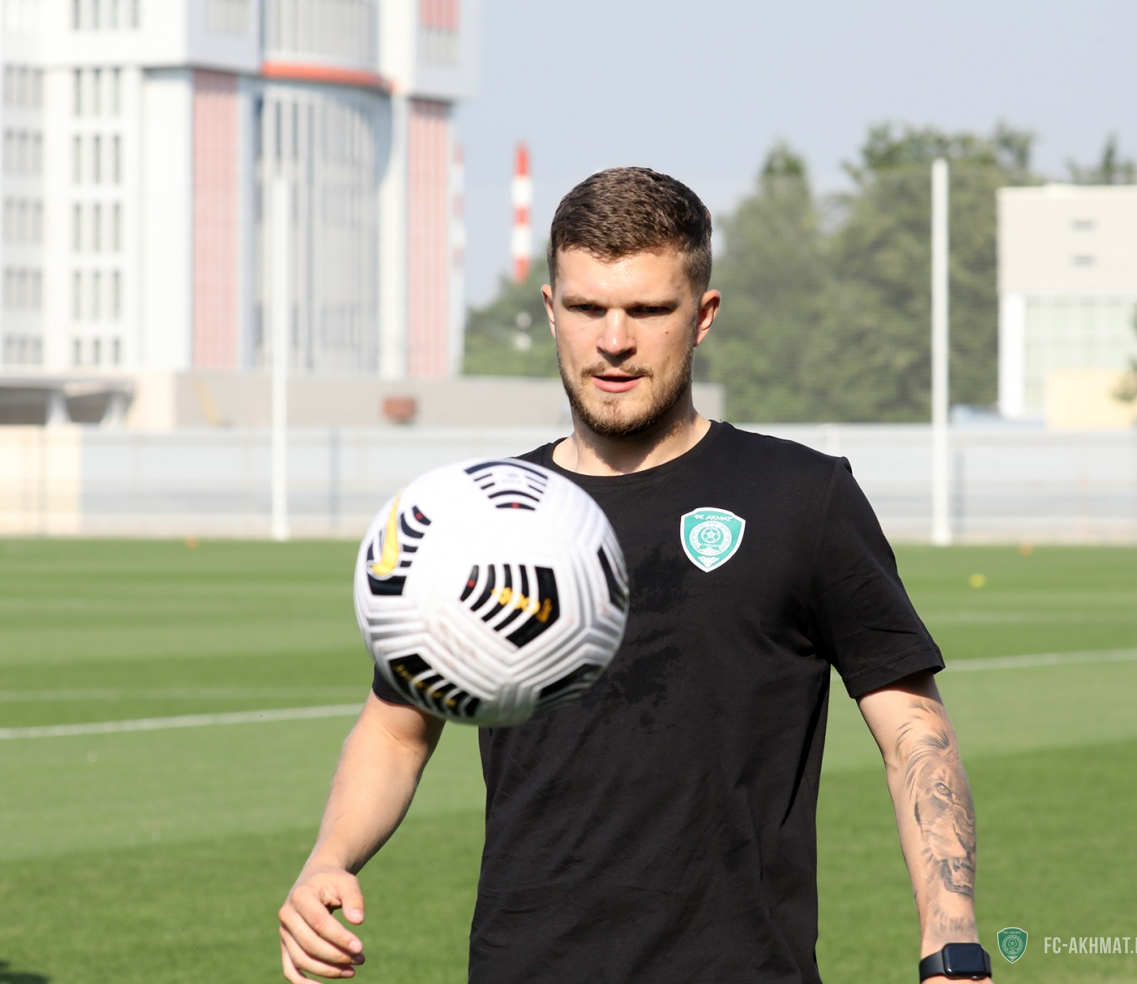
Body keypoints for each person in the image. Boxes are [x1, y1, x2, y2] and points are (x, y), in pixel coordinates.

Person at [279, 167, 993, 984]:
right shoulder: (478, 521)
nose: (613, 340)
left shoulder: (803, 497)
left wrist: (952, 941)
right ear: (551, 309)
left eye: (648, 311)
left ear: (703, 316)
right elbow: (394, 730)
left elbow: (913, 733)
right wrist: (328, 858)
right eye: (588, 308)